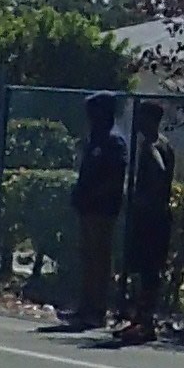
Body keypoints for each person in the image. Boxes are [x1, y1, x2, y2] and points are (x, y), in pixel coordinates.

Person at [63, 94, 127, 330]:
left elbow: (114, 177)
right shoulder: (94, 139)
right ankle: (84, 305)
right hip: (87, 209)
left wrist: (94, 194)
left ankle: (98, 310)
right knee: (87, 258)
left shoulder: (114, 142)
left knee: (100, 260)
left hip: (102, 210)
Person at [118, 102, 178, 340]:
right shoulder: (163, 144)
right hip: (154, 216)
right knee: (145, 271)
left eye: (142, 118)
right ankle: (140, 319)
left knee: (148, 270)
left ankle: (145, 323)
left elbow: (159, 171)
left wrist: (142, 200)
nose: (138, 122)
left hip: (152, 217)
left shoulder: (153, 146)